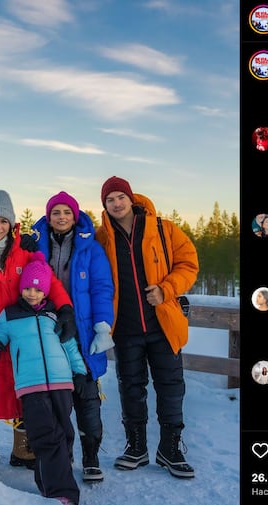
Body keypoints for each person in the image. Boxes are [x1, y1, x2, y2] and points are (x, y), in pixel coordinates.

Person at [0, 190, 75, 483]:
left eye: (3, 221)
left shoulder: (24, 253)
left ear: (11, 224)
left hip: (21, 339)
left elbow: (50, 281)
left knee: (25, 398)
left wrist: (66, 309)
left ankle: (23, 450)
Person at [0, 251, 83, 505]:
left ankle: (57, 475)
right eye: (27, 288)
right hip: (31, 385)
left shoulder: (53, 315)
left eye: (37, 290)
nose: (32, 294)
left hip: (61, 382)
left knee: (65, 433)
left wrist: (79, 372)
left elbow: (68, 345)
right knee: (46, 435)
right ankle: (59, 490)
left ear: (46, 292)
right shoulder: (10, 315)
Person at [96, 176, 199, 478]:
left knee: (171, 388)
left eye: (120, 197)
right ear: (105, 205)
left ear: (131, 198)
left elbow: (188, 264)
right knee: (131, 388)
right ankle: (136, 447)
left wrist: (166, 289)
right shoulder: (103, 238)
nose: (116, 203)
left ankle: (170, 449)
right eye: (110, 199)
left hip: (163, 325)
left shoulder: (163, 229)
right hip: (125, 328)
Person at [31, 191, 114, 483]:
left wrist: (103, 326)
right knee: (54, 396)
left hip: (83, 330)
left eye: (67, 212)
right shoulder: (35, 245)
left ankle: (91, 456)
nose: (62, 217)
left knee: (87, 396)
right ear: (49, 216)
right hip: (47, 330)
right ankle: (60, 455)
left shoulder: (91, 249)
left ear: (75, 216)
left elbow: (102, 287)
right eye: (56, 213)